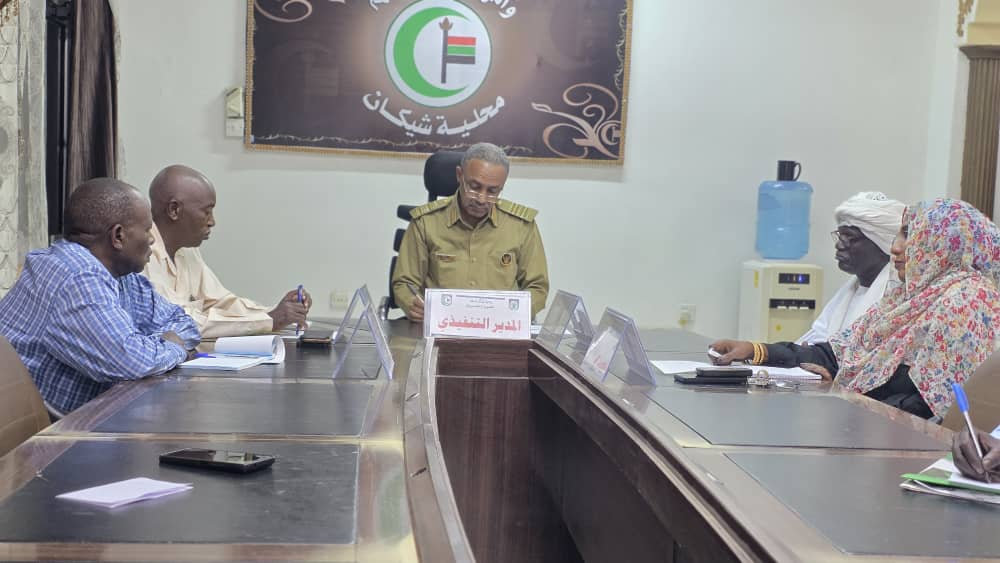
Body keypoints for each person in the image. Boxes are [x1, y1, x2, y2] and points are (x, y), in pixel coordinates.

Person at [711, 199, 1000, 419]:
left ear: (945, 244)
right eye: (899, 235)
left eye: (911, 235)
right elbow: (837, 354)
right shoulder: (907, 296)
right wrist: (756, 350)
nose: (896, 248)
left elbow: (927, 405)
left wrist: (843, 395)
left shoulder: (967, 299)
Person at [0, 178, 200, 415]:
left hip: (86, 420)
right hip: (51, 433)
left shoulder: (121, 274)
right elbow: (133, 362)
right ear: (118, 236)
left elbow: (183, 323)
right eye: (147, 229)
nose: (152, 239)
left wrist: (148, 345)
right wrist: (172, 346)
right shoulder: (77, 276)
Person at [144, 165, 311, 339]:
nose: (212, 221)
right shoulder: (140, 255)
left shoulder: (187, 250)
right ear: (174, 210)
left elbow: (221, 302)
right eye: (206, 212)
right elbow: (177, 323)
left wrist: (281, 312)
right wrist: (269, 319)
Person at [392, 143, 549, 321]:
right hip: (441, 325)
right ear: (460, 175)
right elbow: (404, 283)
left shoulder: (521, 225)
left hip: (500, 327)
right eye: (474, 187)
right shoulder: (425, 222)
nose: (481, 199)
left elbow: (537, 287)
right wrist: (411, 303)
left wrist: (517, 313)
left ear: (502, 187)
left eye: (492, 191)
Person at [797, 191, 904, 344]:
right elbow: (817, 339)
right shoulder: (848, 292)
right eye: (840, 236)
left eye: (851, 238)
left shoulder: (896, 299)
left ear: (883, 245)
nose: (839, 245)